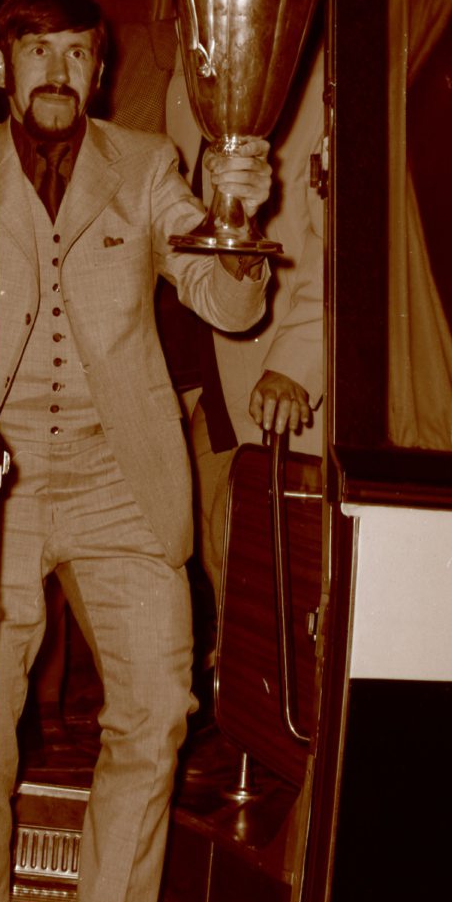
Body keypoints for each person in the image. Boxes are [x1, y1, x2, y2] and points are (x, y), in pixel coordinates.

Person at [0, 0, 275, 902]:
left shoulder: (143, 168)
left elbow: (230, 303)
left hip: (119, 478)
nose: (56, 73)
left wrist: (235, 216)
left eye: (76, 55)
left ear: (100, 71)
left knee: (155, 708)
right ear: (4, 73)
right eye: (35, 52)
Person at [185, 51, 327, 596]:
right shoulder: (188, 75)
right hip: (209, 382)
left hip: (276, 381)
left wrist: (295, 364)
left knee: (278, 583)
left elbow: (339, 244)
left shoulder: (316, 77)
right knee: (225, 571)